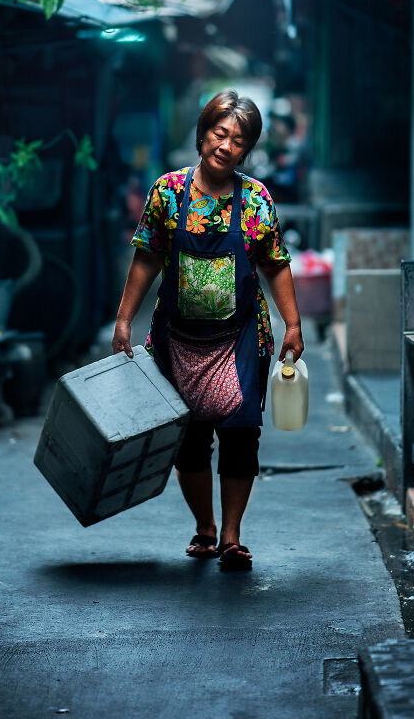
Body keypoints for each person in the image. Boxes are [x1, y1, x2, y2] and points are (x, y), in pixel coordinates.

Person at [112, 90, 304, 571]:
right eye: (220, 133)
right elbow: (148, 257)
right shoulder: (167, 192)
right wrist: (122, 318)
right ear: (202, 135)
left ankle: (233, 536)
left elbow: (275, 263)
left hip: (241, 335)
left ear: (246, 150)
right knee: (190, 439)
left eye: (238, 140)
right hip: (178, 338)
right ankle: (205, 527)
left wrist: (293, 323)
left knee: (241, 433)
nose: (226, 145)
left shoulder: (255, 198)